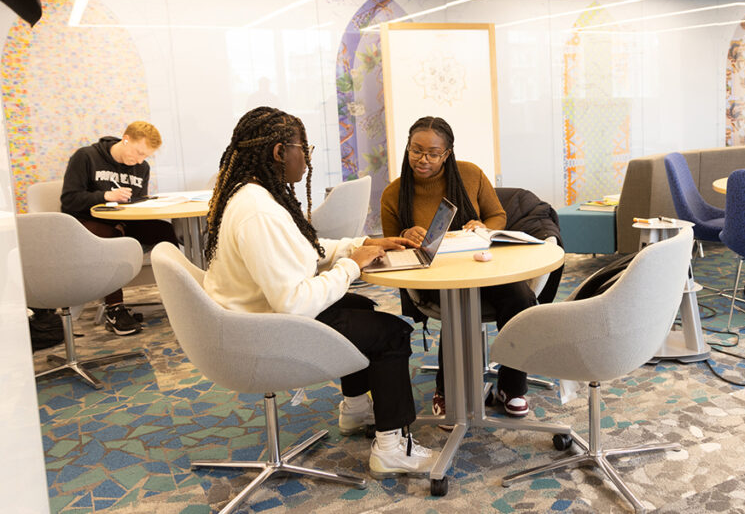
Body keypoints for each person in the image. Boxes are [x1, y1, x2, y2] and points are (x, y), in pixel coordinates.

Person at [202, 107, 436, 478]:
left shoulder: (253, 194)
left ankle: (356, 408)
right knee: (391, 334)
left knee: (358, 304)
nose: (307, 158)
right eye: (304, 149)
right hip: (262, 332)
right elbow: (294, 302)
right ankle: (392, 449)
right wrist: (352, 266)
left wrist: (364, 244)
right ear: (280, 152)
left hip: (252, 317)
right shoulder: (259, 211)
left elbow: (302, 251)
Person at [380, 116, 535, 422]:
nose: (423, 159)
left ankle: (512, 386)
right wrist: (404, 238)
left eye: (433, 153)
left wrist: (482, 227)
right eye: (416, 150)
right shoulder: (394, 193)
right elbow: (389, 248)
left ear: (447, 153)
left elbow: (497, 216)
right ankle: (446, 390)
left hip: (479, 267)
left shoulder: (470, 174)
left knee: (522, 300)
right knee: (457, 303)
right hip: (432, 276)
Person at [60, 121, 179, 335]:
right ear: (126, 139)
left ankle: (179, 295)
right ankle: (115, 309)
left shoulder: (142, 167)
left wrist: (125, 220)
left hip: (122, 223)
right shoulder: (86, 157)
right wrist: (105, 196)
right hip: (85, 224)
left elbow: (136, 203)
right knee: (111, 238)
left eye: (146, 156)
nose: (140, 160)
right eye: (138, 152)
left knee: (165, 231)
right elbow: (69, 200)